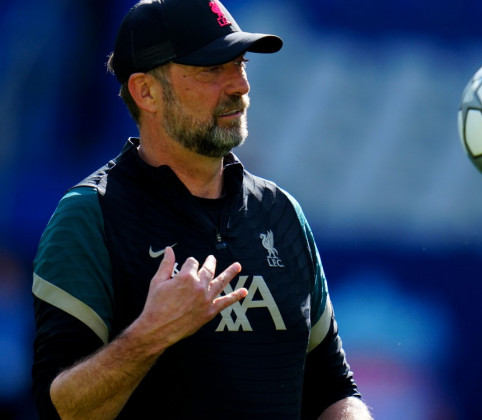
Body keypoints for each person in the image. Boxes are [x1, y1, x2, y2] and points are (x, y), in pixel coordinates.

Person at [31, 1, 373, 419]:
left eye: (240, 64)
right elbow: (61, 410)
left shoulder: (280, 213)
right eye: (212, 69)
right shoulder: (90, 215)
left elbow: (333, 389)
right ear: (146, 91)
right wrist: (151, 335)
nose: (240, 86)